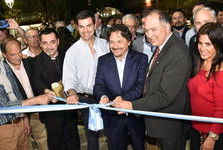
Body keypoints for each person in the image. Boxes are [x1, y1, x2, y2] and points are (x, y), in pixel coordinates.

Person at [113, 9, 192, 150]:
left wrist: (131, 105)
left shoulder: (177, 53)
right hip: (160, 123)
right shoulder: (162, 46)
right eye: (146, 30)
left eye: (154, 29)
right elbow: (149, 81)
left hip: (170, 126)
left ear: (167, 26)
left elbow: (165, 96)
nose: (149, 35)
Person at [0, 34, 55, 150]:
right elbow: (3, 106)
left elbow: (16, 93)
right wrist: (36, 100)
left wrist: (24, 117)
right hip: (2, 129)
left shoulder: (2, 66)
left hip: (20, 123)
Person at [94, 24, 148, 150]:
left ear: (129, 42)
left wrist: (122, 98)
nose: (115, 46)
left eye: (119, 41)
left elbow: (141, 86)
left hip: (135, 116)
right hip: (112, 118)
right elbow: (98, 85)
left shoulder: (141, 59)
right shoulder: (103, 61)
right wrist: (103, 96)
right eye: (111, 42)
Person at [63, 10, 110, 150]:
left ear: (95, 24)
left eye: (89, 25)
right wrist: (72, 93)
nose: (85, 30)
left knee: (113, 133)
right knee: (92, 138)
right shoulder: (72, 52)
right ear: (77, 27)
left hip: (107, 97)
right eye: (82, 26)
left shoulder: (106, 45)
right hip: (86, 99)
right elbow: (68, 78)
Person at [31, 28, 80, 150]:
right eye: (45, 43)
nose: (49, 46)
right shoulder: (35, 62)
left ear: (58, 41)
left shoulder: (68, 56)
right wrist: (47, 92)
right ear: (40, 44)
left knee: (73, 141)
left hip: (70, 110)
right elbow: (36, 81)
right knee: (55, 144)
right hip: (51, 113)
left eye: (52, 42)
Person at [1, 37, 49, 150]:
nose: (18, 57)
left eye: (19, 52)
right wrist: (23, 116)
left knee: (44, 143)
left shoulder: (29, 63)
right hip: (18, 117)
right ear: (4, 55)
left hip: (37, 112)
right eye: (13, 54)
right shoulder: (2, 71)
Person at [188, 22, 223, 150]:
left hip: (214, 133)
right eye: (200, 43)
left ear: (218, 45)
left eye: (208, 44)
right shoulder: (198, 64)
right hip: (196, 129)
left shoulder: (220, 71)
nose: (202, 48)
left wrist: (212, 136)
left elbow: (222, 110)